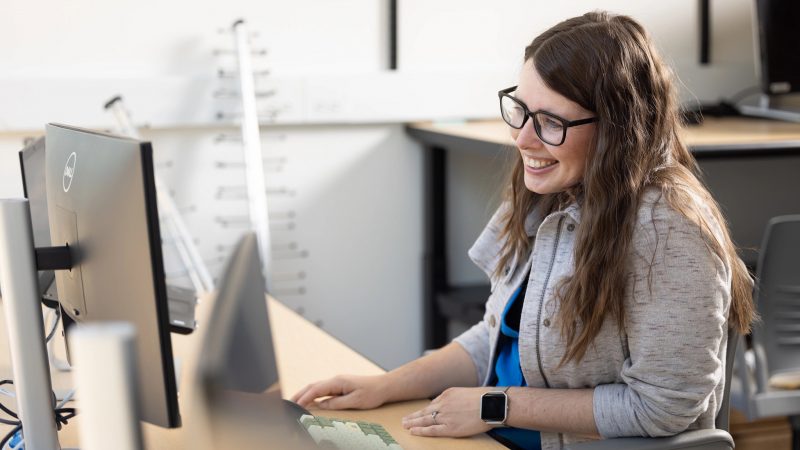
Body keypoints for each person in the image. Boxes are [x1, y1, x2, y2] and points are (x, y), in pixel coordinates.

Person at [292, 11, 756, 450]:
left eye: (551, 122)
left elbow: (664, 408)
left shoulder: (668, 230)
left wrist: (496, 406)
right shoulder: (550, 190)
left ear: (617, 128)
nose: (523, 139)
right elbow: (495, 335)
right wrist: (385, 385)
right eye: (521, 109)